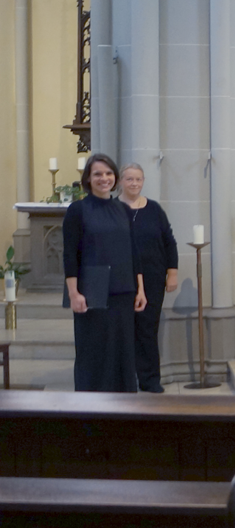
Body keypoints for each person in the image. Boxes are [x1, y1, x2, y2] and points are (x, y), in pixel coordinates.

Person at [64, 153, 145, 393]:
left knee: (122, 352)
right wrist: (73, 293)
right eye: (97, 174)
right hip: (92, 291)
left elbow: (133, 251)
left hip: (123, 289)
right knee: (94, 352)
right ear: (88, 179)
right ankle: (91, 408)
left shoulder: (122, 209)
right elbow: (70, 254)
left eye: (108, 173)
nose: (104, 178)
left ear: (115, 178)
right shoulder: (78, 210)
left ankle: (122, 409)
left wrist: (140, 288)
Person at [118, 163, 179, 393]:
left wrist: (171, 272)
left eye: (138, 179)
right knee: (123, 330)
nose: (134, 183)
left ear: (143, 181)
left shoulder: (154, 209)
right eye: (129, 179)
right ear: (121, 181)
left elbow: (169, 242)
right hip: (122, 278)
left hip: (153, 277)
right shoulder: (113, 208)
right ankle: (125, 380)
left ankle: (150, 379)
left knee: (147, 330)